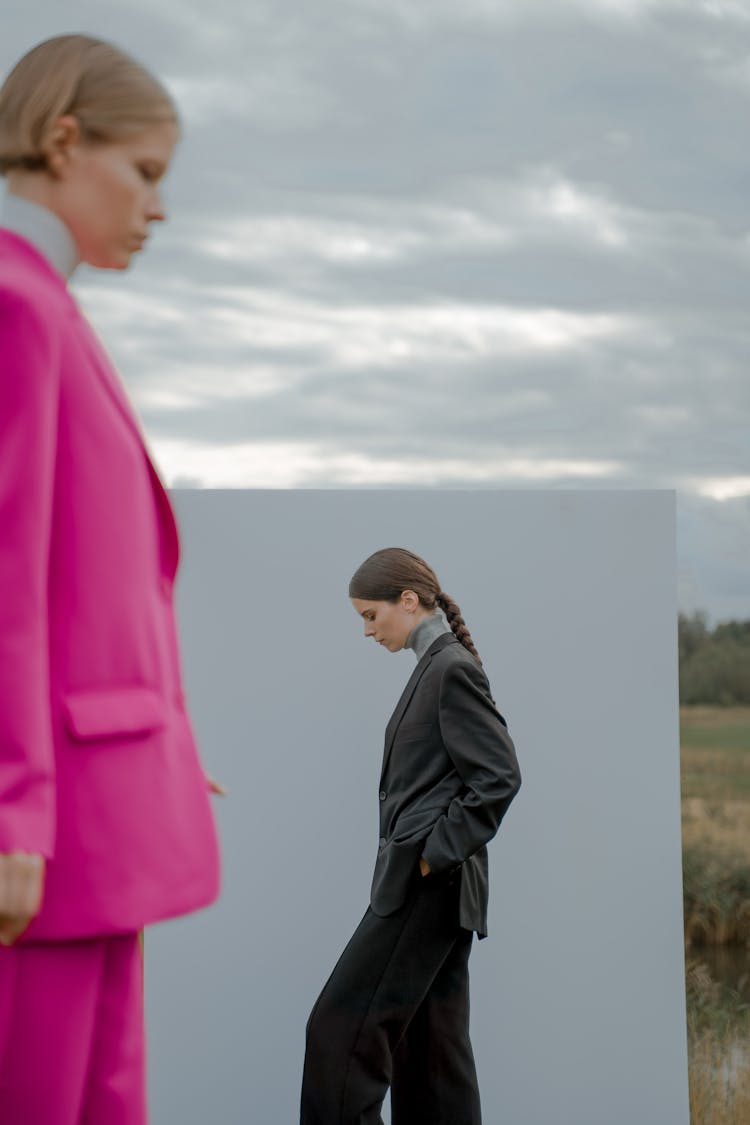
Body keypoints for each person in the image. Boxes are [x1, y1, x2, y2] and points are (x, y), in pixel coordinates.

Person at [0, 35, 221, 1125]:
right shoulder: (14, 305)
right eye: (145, 173)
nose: (159, 208)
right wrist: (12, 819)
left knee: (97, 1100)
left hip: (97, 813)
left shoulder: (48, 306)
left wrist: (165, 752)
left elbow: (87, 591)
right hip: (42, 839)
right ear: (63, 137)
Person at [300, 547, 522, 1125]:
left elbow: (499, 776)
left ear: (407, 599)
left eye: (370, 615)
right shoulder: (436, 667)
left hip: (428, 886)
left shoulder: (450, 669)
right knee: (432, 1054)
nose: (367, 631)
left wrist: (431, 855)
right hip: (436, 889)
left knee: (339, 1030)